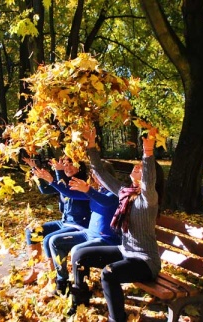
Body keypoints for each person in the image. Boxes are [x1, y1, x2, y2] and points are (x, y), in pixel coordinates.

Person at [68, 127, 165, 322]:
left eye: (140, 167)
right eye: (136, 166)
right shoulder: (124, 193)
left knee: (109, 273)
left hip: (145, 261)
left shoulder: (148, 199)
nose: (136, 168)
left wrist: (148, 153)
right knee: (79, 255)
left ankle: (117, 319)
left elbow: (149, 181)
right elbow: (101, 174)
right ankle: (79, 301)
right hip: (125, 250)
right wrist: (92, 146)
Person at [34, 161, 120, 295]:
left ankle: (81, 288)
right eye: (93, 174)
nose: (95, 177)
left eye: (97, 174)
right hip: (89, 234)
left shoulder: (115, 193)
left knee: (77, 250)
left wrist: (88, 190)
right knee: (54, 241)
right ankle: (62, 282)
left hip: (105, 239)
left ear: (107, 175)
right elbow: (70, 193)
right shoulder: (97, 190)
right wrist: (51, 180)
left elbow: (105, 201)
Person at [22, 157, 91, 284]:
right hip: (64, 222)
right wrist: (34, 169)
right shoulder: (64, 180)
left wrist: (58, 173)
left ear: (79, 166)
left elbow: (68, 192)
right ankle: (35, 270)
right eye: (65, 164)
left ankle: (55, 278)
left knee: (49, 239)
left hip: (79, 226)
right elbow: (45, 189)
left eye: (71, 164)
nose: (67, 167)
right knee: (32, 232)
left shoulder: (83, 183)